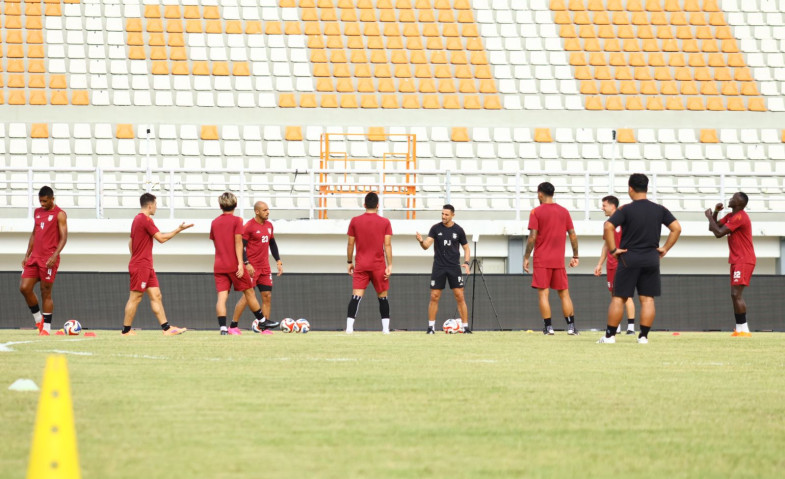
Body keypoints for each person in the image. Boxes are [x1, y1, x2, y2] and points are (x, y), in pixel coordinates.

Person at [598, 173, 681, 344]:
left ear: (630, 188)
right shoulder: (659, 209)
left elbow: (608, 226)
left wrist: (613, 250)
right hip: (651, 258)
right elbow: (677, 228)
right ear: (647, 188)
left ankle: (610, 336)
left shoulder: (626, 209)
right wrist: (665, 248)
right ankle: (643, 337)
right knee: (647, 299)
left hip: (629, 257)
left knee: (618, 297)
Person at [122, 193, 191, 336]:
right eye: (156, 205)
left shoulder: (137, 219)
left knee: (156, 295)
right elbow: (161, 238)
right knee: (135, 297)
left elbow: (131, 242)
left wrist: (136, 256)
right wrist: (178, 229)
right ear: (150, 205)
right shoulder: (146, 220)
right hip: (141, 265)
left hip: (146, 265)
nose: (156, 207)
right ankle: (126, 331)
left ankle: (166, 329)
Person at [211, 192, 274, 335]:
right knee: (249, 292)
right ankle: (262, 322)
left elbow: (216, 243)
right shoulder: (238, 221)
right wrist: (242, 263)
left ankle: (223, 328)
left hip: (219, 264)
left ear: (220, 205)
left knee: (222, 297)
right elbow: (239, 243)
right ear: (235, 204)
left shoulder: (214, 222)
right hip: (234, 265)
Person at [523, 182, 580, 335]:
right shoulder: (564, 211)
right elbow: (573, 235)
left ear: (540, 194)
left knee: (544, 294)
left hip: (542, 260)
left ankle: (549, 328)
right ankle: (571, 327)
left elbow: (532, 237)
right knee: (564, 294)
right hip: (558, 260)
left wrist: (526, 257)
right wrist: (575, 255)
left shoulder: (536, 212)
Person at [705, 192, 756, 337]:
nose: (731, 199)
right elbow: (713, 228)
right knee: (734, 295)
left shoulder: (740, 216)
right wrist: (714, 213)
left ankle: (744, 329)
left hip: (744, 259)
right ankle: (739, 329)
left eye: (734, 198)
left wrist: (709, 216)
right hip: (736, 259)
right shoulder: (730, 216)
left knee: (736, 294)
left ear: (739, 203)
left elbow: (719, 233)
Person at [416, 204, 472, 334]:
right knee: (434, 296)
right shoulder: (435, 228)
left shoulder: (458, 230)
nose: (444, 216)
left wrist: (467, 262)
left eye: (446, 214)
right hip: (439, 267)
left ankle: (465, 327)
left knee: (460, 296)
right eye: (442, 214)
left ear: (453, 215)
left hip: (454, 267)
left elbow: (466, 248)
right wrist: (420, 241)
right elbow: (426, 245)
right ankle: (431, 328)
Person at [20, 186, 68, 336]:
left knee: (45, 292)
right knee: (24, 288)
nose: (42, 204)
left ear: (52, 199)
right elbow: (34, 234)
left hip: (49, 259)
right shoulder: (37, 212)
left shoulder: (60, 214)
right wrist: (27, 254)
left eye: (45, 201)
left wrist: (55, 255)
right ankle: (38, 318)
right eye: (40, 201)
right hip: (34, 257)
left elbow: (64, 237)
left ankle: (46, 328)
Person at [231, 201, 282, 334]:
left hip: (265, 267)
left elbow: (272, 243)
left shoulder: (270, 225)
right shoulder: (248, 226)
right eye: (265, 210)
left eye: (268, 209)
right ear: (257, 211)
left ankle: (264, 327)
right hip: (252, 268)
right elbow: (240, 246)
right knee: (247, 297)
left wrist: (278, 261)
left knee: (267, 296)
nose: (268, 212)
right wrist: (246, 263)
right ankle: (233, 325)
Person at [346, 192, 393, 334]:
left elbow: (350, 244)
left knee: (356, 297)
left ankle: (349, 328)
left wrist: (349, 262)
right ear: (378, 205)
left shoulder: (355, 221)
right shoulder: (385, 222)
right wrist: (389, 265)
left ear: (364, 205)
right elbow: (387, 245)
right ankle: (385, 329)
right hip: (379, 265)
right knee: (383, 297)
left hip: (361, 264)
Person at [593, 195, 636, 335]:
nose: (602, 208)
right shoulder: (607, 224)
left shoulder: (626, 222)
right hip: (611, 265)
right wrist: (599, 264)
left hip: (625, 263)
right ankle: (615, 326)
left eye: (604, 205)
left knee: (626, 294)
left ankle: (630, 327)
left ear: (613, 206)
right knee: (614, 295)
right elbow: (606, 245)